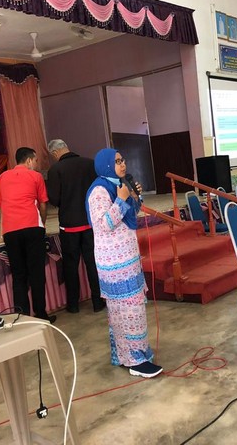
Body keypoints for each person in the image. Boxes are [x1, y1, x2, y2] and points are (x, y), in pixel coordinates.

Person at [86, 148, 163, 378]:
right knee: (128, 310)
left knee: (131, 309)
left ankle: (129, 355)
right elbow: (104, 224)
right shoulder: (99, 191)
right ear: (106, 165)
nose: (122, 164)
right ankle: (135, 361)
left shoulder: (119, 185)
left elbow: (131, 214)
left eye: (122, 160)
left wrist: (135, 197)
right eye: (117, 161)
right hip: (114, 264)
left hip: (128, 258)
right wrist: (121, 199)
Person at [0, 147, 56, 324]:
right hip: (32, 227)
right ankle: (41, 315)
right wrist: (42, 224)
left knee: (18, 275)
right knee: (36, 273)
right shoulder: (36, 176)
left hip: (10, 231)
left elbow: (2, 208)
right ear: (29, 160)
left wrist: (2, 232)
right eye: (35, 160)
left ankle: (22, 318)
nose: (36, 164)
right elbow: (43, 205)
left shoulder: (1, 178)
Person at [47, 139, 106, 314]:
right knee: (92, 263)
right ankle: (97, 302)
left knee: (70, 266)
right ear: (66, 147)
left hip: (69, 225)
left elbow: (54, 199)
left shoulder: (55, 169)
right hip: (89, 222)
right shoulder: (90, 164)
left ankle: (73, 305)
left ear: (55, 153)